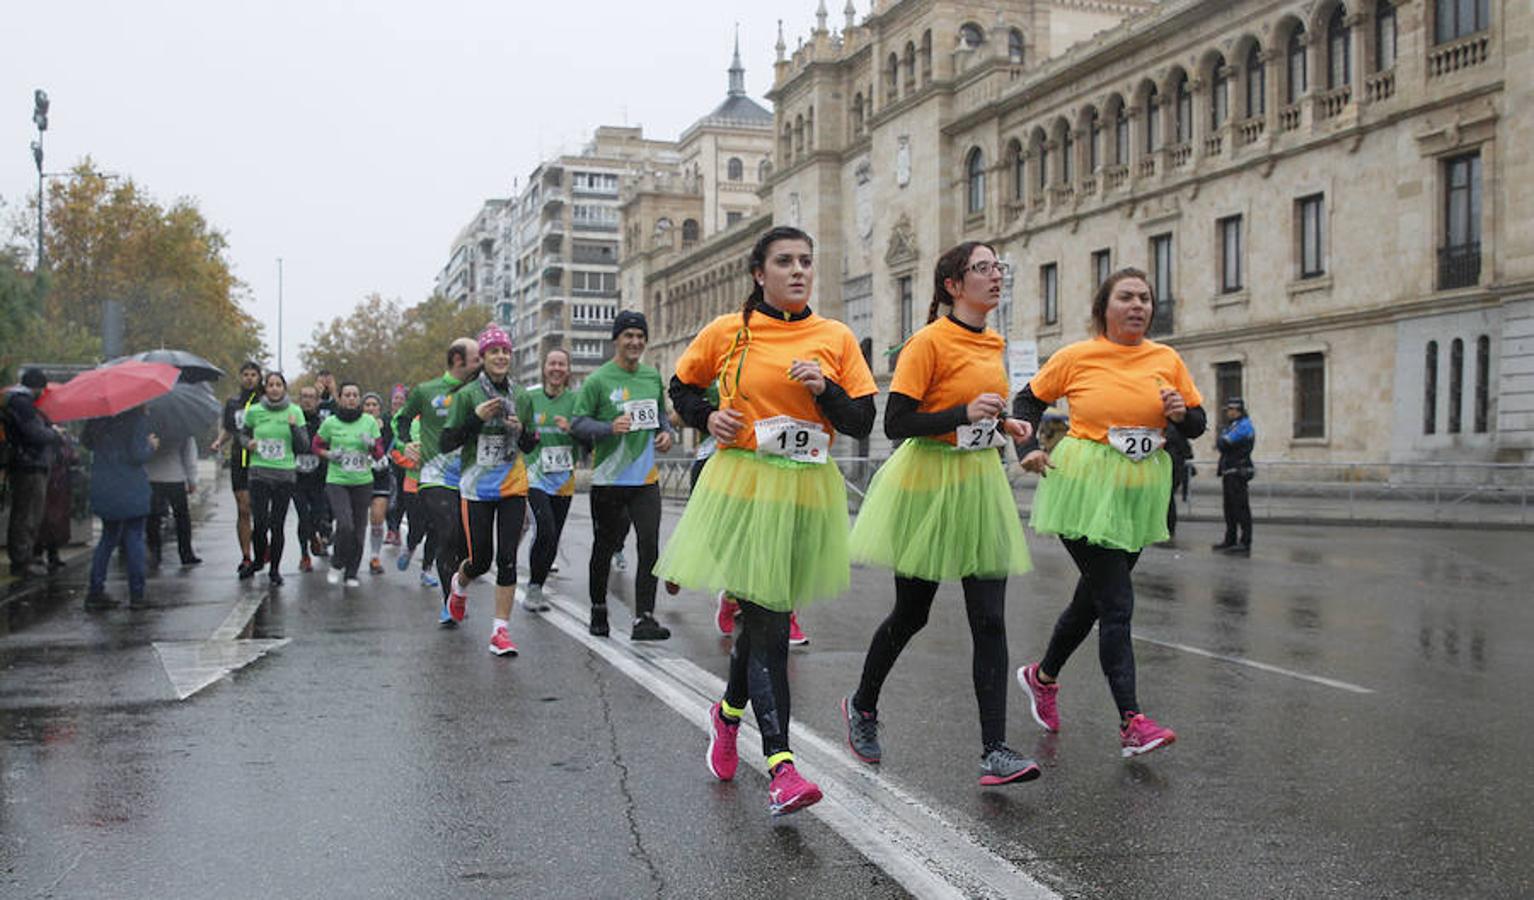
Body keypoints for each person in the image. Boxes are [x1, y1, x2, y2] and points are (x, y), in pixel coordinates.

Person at [656, 225, 878, 816]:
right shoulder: (730, 332)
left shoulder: (834, 336)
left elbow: (860, 419)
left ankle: (727, 715)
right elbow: (680, 387)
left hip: (807, 491)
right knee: (770, 625)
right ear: (760, 273)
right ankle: (781, 766)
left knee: (762, 624)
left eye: (806, 260)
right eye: (785, 262)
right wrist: (707, 418)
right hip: (745, 485)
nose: (799, 270)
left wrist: (826, 388)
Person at [844, 241, 1040, 786]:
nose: (995, 276)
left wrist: (1006, 426)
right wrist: (962, 413)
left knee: (991, 619)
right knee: (913, 613)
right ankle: (862, 705)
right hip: (927, 482)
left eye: (997, 267)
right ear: (953, 285)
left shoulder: (993, 341)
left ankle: (995, 750)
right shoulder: (926, 342)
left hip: (979, 481)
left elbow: (982, 411)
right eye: (983, 268)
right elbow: (898, 421)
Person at [1011, 267, 1206, 759]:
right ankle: (1132, 721)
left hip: (1137, 491)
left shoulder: (1166, 358)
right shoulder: (1077, 356)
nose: (1138, 305)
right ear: (1105, 307)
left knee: (1093, 601)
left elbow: (1198, 423)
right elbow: (1027, 401)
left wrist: (1182, 413)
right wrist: (1027, 448)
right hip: (1084, 486)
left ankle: (1043, 677)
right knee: (1117, 602)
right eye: (1127, 297)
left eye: (1145, 298)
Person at [571, 311, 676, 641]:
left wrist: (666, 433)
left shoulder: (650, 377)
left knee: (649, 546)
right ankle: (598, 609)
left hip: (645, 480)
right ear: (616, 340)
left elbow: (660, 417)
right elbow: (578, 423)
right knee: (604, 546)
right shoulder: (598, 380)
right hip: (609, 480)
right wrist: (607, 427)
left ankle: (644, 617)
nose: (635, 342)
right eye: (628, 336)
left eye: (640, 336)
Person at [440, 324, 541, 655]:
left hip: (513, 484)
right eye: (494, 351)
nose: (500, 356)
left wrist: (521, 429)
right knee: (481, 560)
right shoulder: (468, 396)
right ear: (482, 358)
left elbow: (531, 443)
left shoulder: (522, 396)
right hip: (477, 489)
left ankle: (500, 631)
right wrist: (475, 418)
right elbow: (446, 442)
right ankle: (459, 584)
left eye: (505, 351)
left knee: (508, 558)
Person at [395, 338, 479, 622]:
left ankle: (457, 592)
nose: (482, 363)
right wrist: (404, 442)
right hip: (434, 477)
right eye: (477, 358)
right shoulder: (426, 390)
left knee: (470, 546)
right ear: (458, 360)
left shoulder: (479, 391)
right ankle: (448, 604)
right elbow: (401, 420)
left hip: (470, 477)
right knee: (448, 533)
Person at [522, 347, 580, 613]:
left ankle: (538, 584)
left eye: (562, 364)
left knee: (553, 537)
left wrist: (574, 429)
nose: (557, 369)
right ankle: (533, 588)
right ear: (544, 368)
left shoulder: (576, 401)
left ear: (568, 370)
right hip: (533, 477)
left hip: (563, 480)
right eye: (552, 363)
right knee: (544, 529)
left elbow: (589, 438)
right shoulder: (529, 397)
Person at [82, 408, 157, 609]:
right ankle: (137, 594)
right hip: (130, 484)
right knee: (134, 536)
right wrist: (151, 446)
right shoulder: (135, 418)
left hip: (104, 482)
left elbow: (87, 442)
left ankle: (95, 591)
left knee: (108, 537)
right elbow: (137, 454)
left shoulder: (97, 417)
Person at [240, 372, 308, 585]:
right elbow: (242, 434)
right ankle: (259, 560)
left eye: (279, 385)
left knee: (277, 524)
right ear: (265, 389)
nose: (274, 389)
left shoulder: (295, 411)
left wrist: (294, 427)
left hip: (284, 474)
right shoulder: (255, 411)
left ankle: (275, 570)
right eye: (270, 385)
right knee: (260, 522)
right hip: (259, 472)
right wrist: (247, 443)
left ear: (284, 389)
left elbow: (304, 445)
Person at [314, 382, 384, 588]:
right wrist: (328, 454)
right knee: (345, 525)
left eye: (355, 395)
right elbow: (316, 445)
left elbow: (379, 452)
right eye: (347, 395)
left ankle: (351, 573)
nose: (352, 398)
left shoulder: (369, 422)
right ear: (341, 398)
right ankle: (337, 563)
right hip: (337, 480)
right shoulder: (331, 423)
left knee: (359, 529)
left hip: (363, 481)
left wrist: (371, 444)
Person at [4, 368, 63, 578]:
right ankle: (22, 560)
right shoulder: (22, 404)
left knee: (25, 512)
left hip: (25, 463)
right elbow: (35, 433)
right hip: (29, 465)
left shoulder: (18, 402)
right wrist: (53, 433)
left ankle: (23, 557)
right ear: (36, 387)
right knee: (28, 513)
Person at [210, 361, 262, 574]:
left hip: (261, 461)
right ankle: (246, 556)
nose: (249, 378)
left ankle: (262, 548)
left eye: (253, 374)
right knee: (243, 508)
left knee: (260, 511)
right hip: (238, 460)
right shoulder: (232, 403)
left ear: (259, 378)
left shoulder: (265, 401)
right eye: (246, 374)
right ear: (240, 377)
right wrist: (218, 441)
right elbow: (229, 429)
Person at [390, 413, 439, 588]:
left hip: (437, 483)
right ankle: (410, 547)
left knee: (435, 529)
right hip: (413, 485)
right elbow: (394, 451)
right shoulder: (408, 423)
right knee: (417, 528)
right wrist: (412, 462)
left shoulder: (445, 420)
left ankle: (426, 570)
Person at [145, 434, 201, 567]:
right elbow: (189, 456)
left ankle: (155, 552)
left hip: (151, 477)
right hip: (175, 477)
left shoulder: (148, 428)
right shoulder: (183, 427)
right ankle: (186, 553)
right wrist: (192, 479)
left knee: (153, 518)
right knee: (182, 518)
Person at [292, 385, 330, 572]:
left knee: (318, 517)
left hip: (318, 479)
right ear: (299, 399)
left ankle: (315, 536)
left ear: (317, 401)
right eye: (304, 396)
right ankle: (304, 555)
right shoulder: (293, 421)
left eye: (311, 397)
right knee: (303, 517)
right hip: (297, 478)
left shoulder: (324, 423)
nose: (307, 400)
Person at [1213, 398, 1255, 554]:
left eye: (1230, 410)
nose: (1228, 413)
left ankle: (1245, 542)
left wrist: (1222, 441)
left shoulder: (1244, 425)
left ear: (1237, 410)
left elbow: (1224, 443)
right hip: (1229, 472)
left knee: (1241, 509)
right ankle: (1230, 539)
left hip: (1238, 472)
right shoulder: (1233, 425)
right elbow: (1221, 442)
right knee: (1229, 509)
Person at [35, 427, 79, 572]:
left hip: (59, 482)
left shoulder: (63, 435)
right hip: (51, 479)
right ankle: (39, 552)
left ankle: (52, 552)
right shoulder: (47, 433)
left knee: (56, 519)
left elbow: (72, 457)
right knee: (46, 517)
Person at [361, 392, 395, 575]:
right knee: (354, 521)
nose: (371, 408)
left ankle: (375, 557)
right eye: (367, 405)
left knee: (377, 517)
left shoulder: (388, 426)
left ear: (379, 409)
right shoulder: (355, 425)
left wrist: (389, 457)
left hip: (380, 477)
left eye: (374, 405)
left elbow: (396, 445)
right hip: (356, 477)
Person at [384, 383, 410, 546]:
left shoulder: (408, 419)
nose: (397, 401)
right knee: (390, 496)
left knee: (402, 498)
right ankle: (391, 529)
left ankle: (396, 528)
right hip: (388, 462)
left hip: (405, 463)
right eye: (395, 398)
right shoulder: (385, 418)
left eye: (401, 398)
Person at [1164, 421, 1192, 538]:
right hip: (1175, 466)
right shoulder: (1177, 429)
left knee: (1168, 498)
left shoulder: (1171, 430)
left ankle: (1169, 527)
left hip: (1172, 466)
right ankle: (1168, 527)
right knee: (1168, 498)